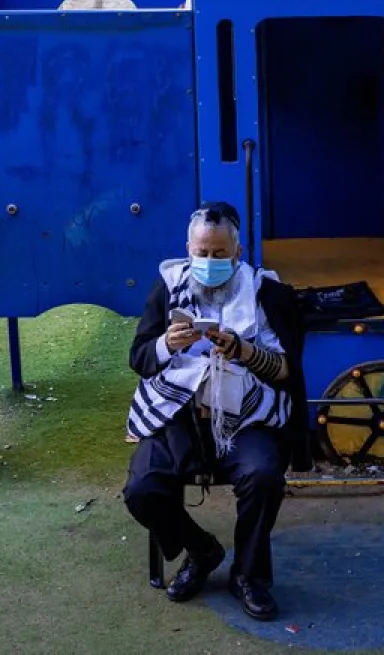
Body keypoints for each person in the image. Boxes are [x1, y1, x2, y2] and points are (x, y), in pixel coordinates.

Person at [121, 202, 308, 623]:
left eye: (220, 254)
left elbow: (284, 370)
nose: (209, 262)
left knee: (262, 476)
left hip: (246, 416)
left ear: (236, 253)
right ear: (188, 249)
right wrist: (168, 344)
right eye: (202, 253)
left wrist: (242, 350)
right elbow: (139, 357)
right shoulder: (168, 287)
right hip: (178, 413)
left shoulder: (265, 292)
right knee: (142, 489)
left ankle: (249, 577)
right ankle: (202, 551)